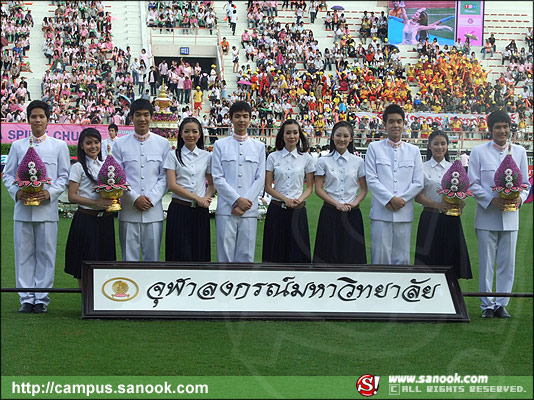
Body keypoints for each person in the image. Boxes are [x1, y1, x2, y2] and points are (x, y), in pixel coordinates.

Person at [3, 100, 70, 313]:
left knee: (46, 254)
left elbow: (64, 176)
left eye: (41, 116)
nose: (37, 120)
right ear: (28, 119)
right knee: (23, 255)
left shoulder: (59, 146)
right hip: (23, 210)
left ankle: (41, 298)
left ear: (48, 120)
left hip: (46, 210)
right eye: (34, 117)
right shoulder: (18, 146)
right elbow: (8, 175)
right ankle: (26, 298)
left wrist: (50, 193)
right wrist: (17, 192)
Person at [468, 110, 530, 318]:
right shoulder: (478, 152)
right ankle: (486, 305)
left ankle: (501, 304)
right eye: (497, 127)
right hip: (487, 216)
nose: (502, 131)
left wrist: (519, 198)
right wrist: (491, 199)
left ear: (509, 128)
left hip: (511, 217)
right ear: (490, 130)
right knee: (486, 263)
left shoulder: (519, 151)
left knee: (507, 263)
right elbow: (473, 183)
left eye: (505, 126)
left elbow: (525, 184)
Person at [111, 99, 170, 261]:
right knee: (128, 260)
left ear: (151, 117)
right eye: (138, 115)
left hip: (153, 212)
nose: (142, 119)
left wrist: (151, 199)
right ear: (131, 117)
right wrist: (134, 197)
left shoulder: (162, 143)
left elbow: (165, 177)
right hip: (129, 210)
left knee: (153, 261)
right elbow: (118, 175)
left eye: (146, 115)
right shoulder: (120, 144)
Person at [365, 104, 424, 265]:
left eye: (399, 121)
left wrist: (400, 200)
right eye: (391, 121)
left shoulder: (414, 150)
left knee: (402, 261)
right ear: (384, 125)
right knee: (379, 259)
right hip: (380, 213)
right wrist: (390, 199)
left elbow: (418, 182)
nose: (395, 125)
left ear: (404, 124)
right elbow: (371, 179)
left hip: (404, 213)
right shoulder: (374, 148)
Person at [211, 101, 266, 262]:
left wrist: (245, 203)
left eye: (245, 116)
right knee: (224, 255)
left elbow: (260, 177)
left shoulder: (259, 146)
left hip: (249, 210)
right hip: (226, 208)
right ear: (231, 119)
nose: (241, 120)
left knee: (246, 255)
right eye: (237, 116)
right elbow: (217, 178)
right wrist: (237, 200)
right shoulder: (220, 145)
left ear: (250, 119)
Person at [414, 131, 472, 279]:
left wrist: (461, 202)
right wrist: (438, 205)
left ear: (447, 146)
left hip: (450, 219)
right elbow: (418, 197)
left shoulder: (454, 168)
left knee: (450, 261)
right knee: (428, 262)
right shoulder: (422, 167)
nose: (439, 147)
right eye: (436, 144)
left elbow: (462, 191)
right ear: (429, 146)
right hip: (429, 218)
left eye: (443, 143)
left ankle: (451, 295)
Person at [64, 128, 116, 287]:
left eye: (96, 142)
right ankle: (86, 302)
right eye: (88, 143)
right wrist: (95, 203)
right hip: (85, 220)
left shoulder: (105, 165)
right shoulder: (78, 167)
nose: (93, 146)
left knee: (105, 260)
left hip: (105, 221)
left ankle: (102, 301)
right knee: (85, 262)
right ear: (81, 146)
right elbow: (72, 196)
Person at [313, 121, 367, 264]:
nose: (341, 139)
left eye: (345, 136)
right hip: (330, 212)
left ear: (351, 139)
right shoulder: (323, 161)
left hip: (352, 213)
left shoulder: (358, 162)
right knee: (327, 255)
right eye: (338, 135)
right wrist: (337, 204)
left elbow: (364, 189)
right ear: (332, 137)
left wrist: (354, 203)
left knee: (352, 255)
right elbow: (318, 189)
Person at [263, 119, 315, 263]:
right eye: (288, 133)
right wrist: (285, 199)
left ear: (300, 135)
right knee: (275, 253)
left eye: (295, 132)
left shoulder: (306, 158)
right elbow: (268, 186)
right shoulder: (273, 157)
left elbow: (310, 187)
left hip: (298, 211)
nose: (292, 136)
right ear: (282, 135)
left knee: (297, 254)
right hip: (277, 210)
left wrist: (299, 199)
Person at [164, 117, 215, 262]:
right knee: (179, 254)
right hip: (179, 209)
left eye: (194, 131)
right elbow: (172, 185)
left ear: (200, 134)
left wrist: (206, 198)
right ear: (181, 134)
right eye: (186, 131)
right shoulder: (173, 155)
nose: (190, 135)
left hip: (200, 211)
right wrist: (197, 198)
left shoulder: (207, 156)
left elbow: (211, 185)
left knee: (200, 254)